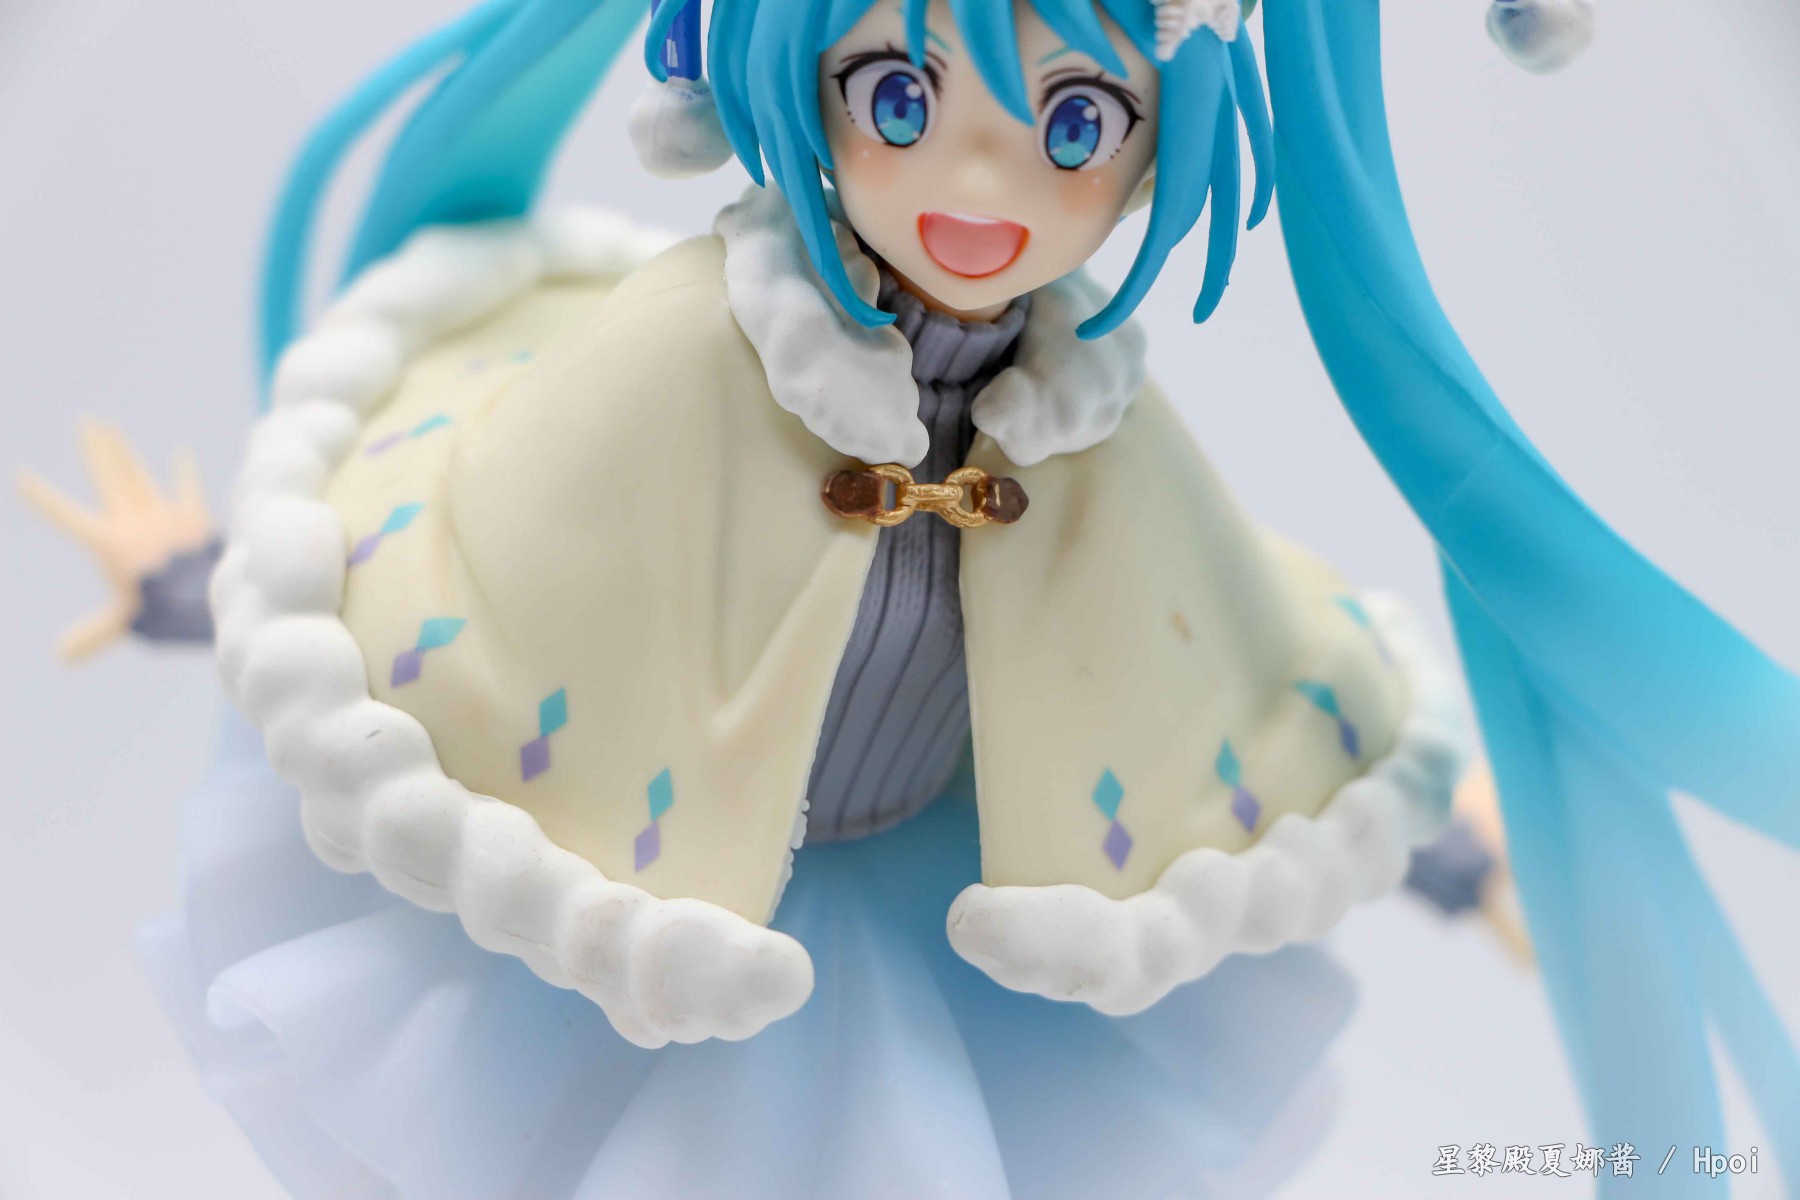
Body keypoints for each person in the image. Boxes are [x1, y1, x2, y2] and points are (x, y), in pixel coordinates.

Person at [18, 0, 1795, 1195]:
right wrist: (190, 584)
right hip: (637, 910)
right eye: (901, 95)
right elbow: (487, 553)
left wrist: (1442, 849)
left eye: (1078, 120)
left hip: (935, 926)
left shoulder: (1091, 426)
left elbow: (1216, 649)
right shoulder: (689, 351)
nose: (981, 183)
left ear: (1161, 147)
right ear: (800, 86)